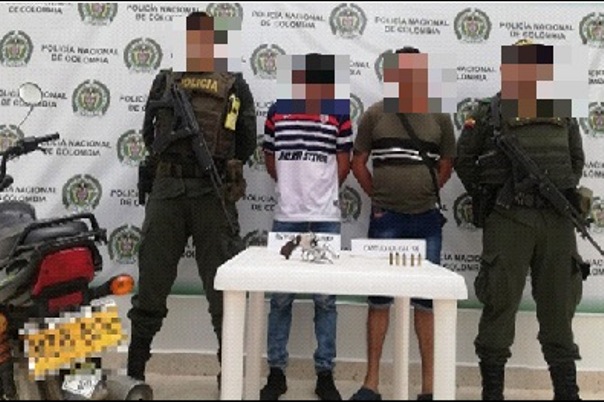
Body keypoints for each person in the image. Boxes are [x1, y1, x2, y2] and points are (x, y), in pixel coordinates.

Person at [126, 11, 257, 384]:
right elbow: (150, 134)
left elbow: (246, 142)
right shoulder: (165, 81)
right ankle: (135, 372)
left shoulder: (234, 85)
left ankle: (228, 376)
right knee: (151, 284)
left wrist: (215, 166)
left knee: (223, 289)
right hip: (167, 191)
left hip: (212, 195)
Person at [455, 39, 586, 400]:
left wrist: (554, 194)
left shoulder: (561, 110)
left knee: (559, 307)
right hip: (508, 218)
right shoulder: (488, 112)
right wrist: (493, 196)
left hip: (556, 220)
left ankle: (567, 392)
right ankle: (492, 392)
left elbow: (576, 160)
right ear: (505, 70)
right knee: (499, 304)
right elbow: (465, 161)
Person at [349, 46, 456, 401]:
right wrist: (378, 197)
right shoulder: (375, 115)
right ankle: (371, 383)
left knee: (426, 305)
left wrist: (424, 192)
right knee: (379, 302)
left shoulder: (439, 117)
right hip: (386, 221)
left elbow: (446, 164)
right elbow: (358, 162)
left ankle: (428, 388)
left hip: (427, 221)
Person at [259, 52, 353, 401]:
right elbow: (270, 159)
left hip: (324, 219)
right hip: (287, 217)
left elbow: (343, 163)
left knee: (325, 300)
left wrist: (320, 196)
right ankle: (276, 373)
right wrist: (292, 192)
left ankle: (325, 374)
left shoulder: (338, 112)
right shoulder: (277, 111)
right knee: (281, 299)